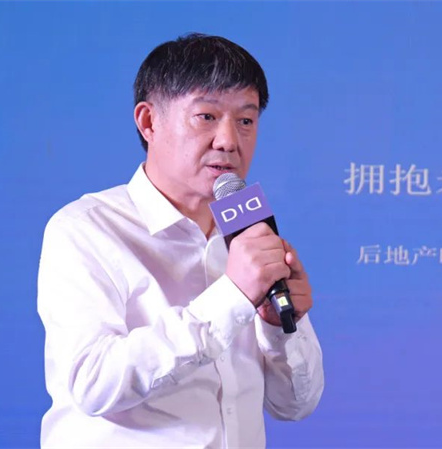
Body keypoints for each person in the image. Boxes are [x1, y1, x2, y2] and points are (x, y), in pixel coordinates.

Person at [37, 33, 324, 448]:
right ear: (149, 122)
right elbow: (92, 382)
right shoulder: (87, 228)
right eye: (206, 116)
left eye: (245, 121)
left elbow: (295, 405)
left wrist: (280, 327)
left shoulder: (248, 236)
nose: (228, 141)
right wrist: (232, 296)